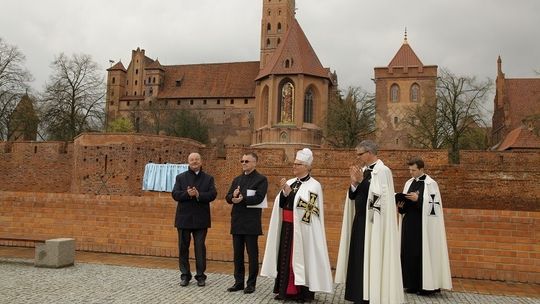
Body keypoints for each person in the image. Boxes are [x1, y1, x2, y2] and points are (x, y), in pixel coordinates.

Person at [335, 140, 404, 304]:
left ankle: (372, 293)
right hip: (360, 220)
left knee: (372, 255)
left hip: (374, 223)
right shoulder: (365, 171)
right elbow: (354, 196)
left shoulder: (383, 171)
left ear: (370, 152)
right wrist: (353, 183)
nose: (358, 158)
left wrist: (360, 182)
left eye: (360, 154)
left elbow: (379, 197)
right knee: (358, 257)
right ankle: (359, 294)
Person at [261, 148, 333, 303]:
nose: (293, 166)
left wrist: (290, 194)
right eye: (293, 163)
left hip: (303, 231)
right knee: (285, 259)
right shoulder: (290, 182)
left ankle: (302, 293)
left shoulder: (314, 185)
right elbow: (281, 205)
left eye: (297, 164)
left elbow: (310, 211)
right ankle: (284, 291)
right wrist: (285, 194)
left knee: (300, 259)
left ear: (307, 166)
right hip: (287, 227)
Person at [396, 157, 452, 294]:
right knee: (409, 253)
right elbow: (405, 207)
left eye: (414, 170)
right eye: (410, 170)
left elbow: (434, 207)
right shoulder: (408, 183)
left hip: (424, 226)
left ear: (421, 169)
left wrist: (418, 199)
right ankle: (411, 284)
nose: (411, 173)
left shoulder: (430, 184)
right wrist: (400, 206)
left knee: (422, 253)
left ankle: (426, 287)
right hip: (409, 224)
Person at [225, 152, 268, 294]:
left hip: (251, 222)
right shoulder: (237, 179)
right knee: (237, 254)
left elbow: (259, 198)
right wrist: (233, 197)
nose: (244, 163)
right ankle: (238, 282)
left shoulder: (261, 180)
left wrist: (242, 199)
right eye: (242, 161)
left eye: (247, 161)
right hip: (237, 221)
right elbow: (228, 196)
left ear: (255, 163)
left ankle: (251, 283)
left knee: (252, 254)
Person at [171, 152, 217, 287]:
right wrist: (187, 194)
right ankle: (185, 275)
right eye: (192, 159)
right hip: (183, 219)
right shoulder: (180, 178)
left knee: (200, 248)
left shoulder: (208, 178)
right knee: (183, 248)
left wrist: (198, 194)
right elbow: (175, 194)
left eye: (197, 159)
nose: (194, 162)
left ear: (201, 161)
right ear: (188, 162)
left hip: (201, 219)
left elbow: (213, 194)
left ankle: (201, 276)